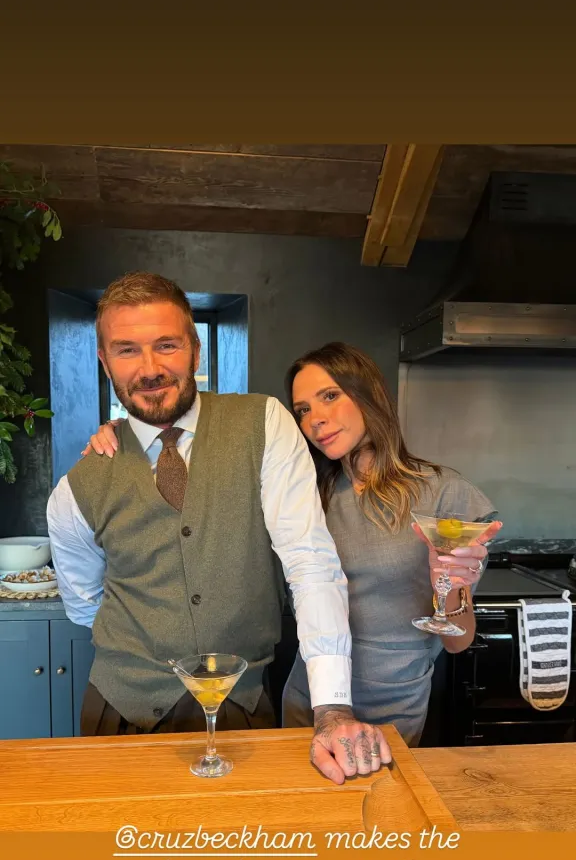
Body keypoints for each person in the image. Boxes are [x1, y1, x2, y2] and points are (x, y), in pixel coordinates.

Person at [47, 273, 390, 785]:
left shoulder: (266, 424)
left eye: (167, 345)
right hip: (119, 709)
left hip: (240, 706)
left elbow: (308, 559)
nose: (150, 368)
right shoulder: (75, 488)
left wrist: (333, 707)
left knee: (230, 856)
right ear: (104, 360)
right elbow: (83, 602)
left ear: (196, 350)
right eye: (126, 350)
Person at [86, 336, 502, 748]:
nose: (315, 419)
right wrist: (135, 435)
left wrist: (449, 587)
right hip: (309, 698)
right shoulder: (307, 492)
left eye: (330, 396)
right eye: (303, 409)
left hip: (395, 701)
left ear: (368, 395)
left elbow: (457, 640)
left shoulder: (442, 494)